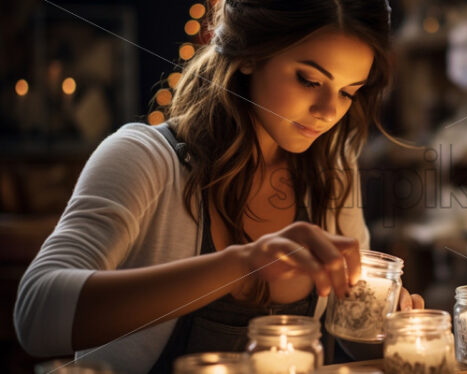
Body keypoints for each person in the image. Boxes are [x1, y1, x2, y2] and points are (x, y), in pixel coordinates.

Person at [13, 1, 424, 372]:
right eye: (309, 80)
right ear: (249, 55)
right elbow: (36, 316)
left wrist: (382, 324)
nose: (329, 111)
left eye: (348, 92)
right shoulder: (143, 158)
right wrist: (244, 264)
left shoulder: (332, 173)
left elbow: (349, 346)